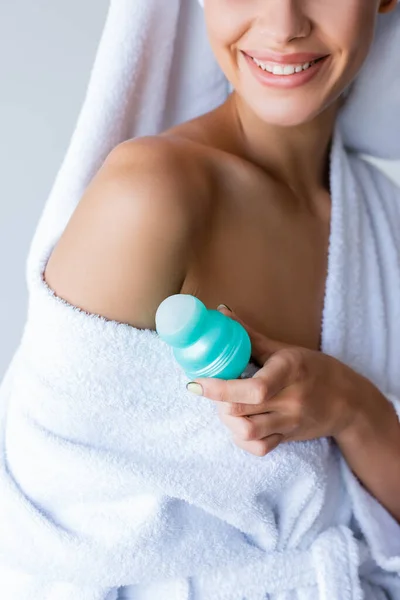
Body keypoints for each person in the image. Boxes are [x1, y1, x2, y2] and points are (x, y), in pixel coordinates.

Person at [45, 0, 400, 521]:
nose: (284, 27)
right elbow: (45, 534)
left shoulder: (384, 219)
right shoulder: (146, 197)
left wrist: (352, 406)